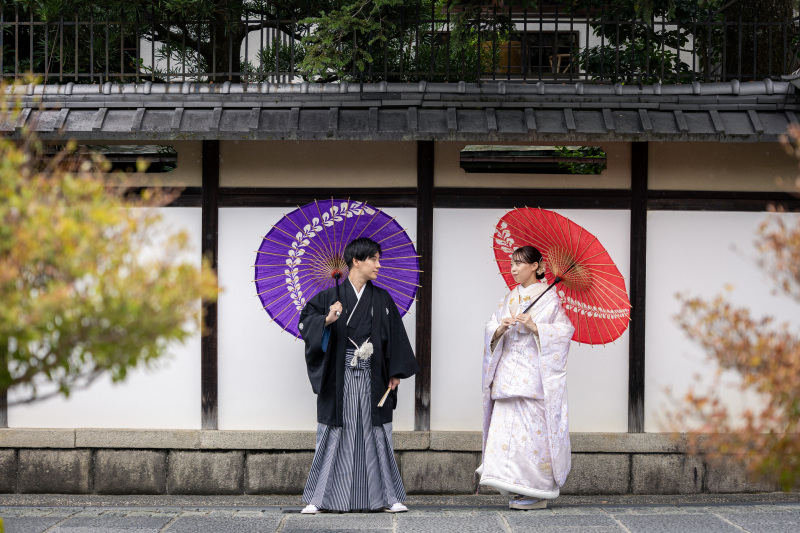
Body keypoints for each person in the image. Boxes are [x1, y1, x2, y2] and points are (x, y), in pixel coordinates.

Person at [297, 237, 419, 514]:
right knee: (334, 432)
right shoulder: (329, 298)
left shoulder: (382, 298)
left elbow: (395, 338)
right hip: (339, 379)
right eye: (373, 259)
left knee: (376, 433)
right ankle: (319, 499)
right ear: (356, 261)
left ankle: (388, 497)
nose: (379, 264)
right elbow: (305, 322)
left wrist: (396, 372)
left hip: (373, 377)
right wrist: (326, 320)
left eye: (378, 259)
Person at [477, 246, 574, 510]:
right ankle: (513, 485)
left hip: (533, 377)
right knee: (506, 434)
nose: (513, 268)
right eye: (512, 263)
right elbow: (490, 327)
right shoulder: (509, 297)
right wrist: (499, 328)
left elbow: (564, 332)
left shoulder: (550, 299)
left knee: (532, 435)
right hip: (507, 372)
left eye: (520, 263)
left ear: (536, 266)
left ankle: (538, 490)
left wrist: (536, 327)